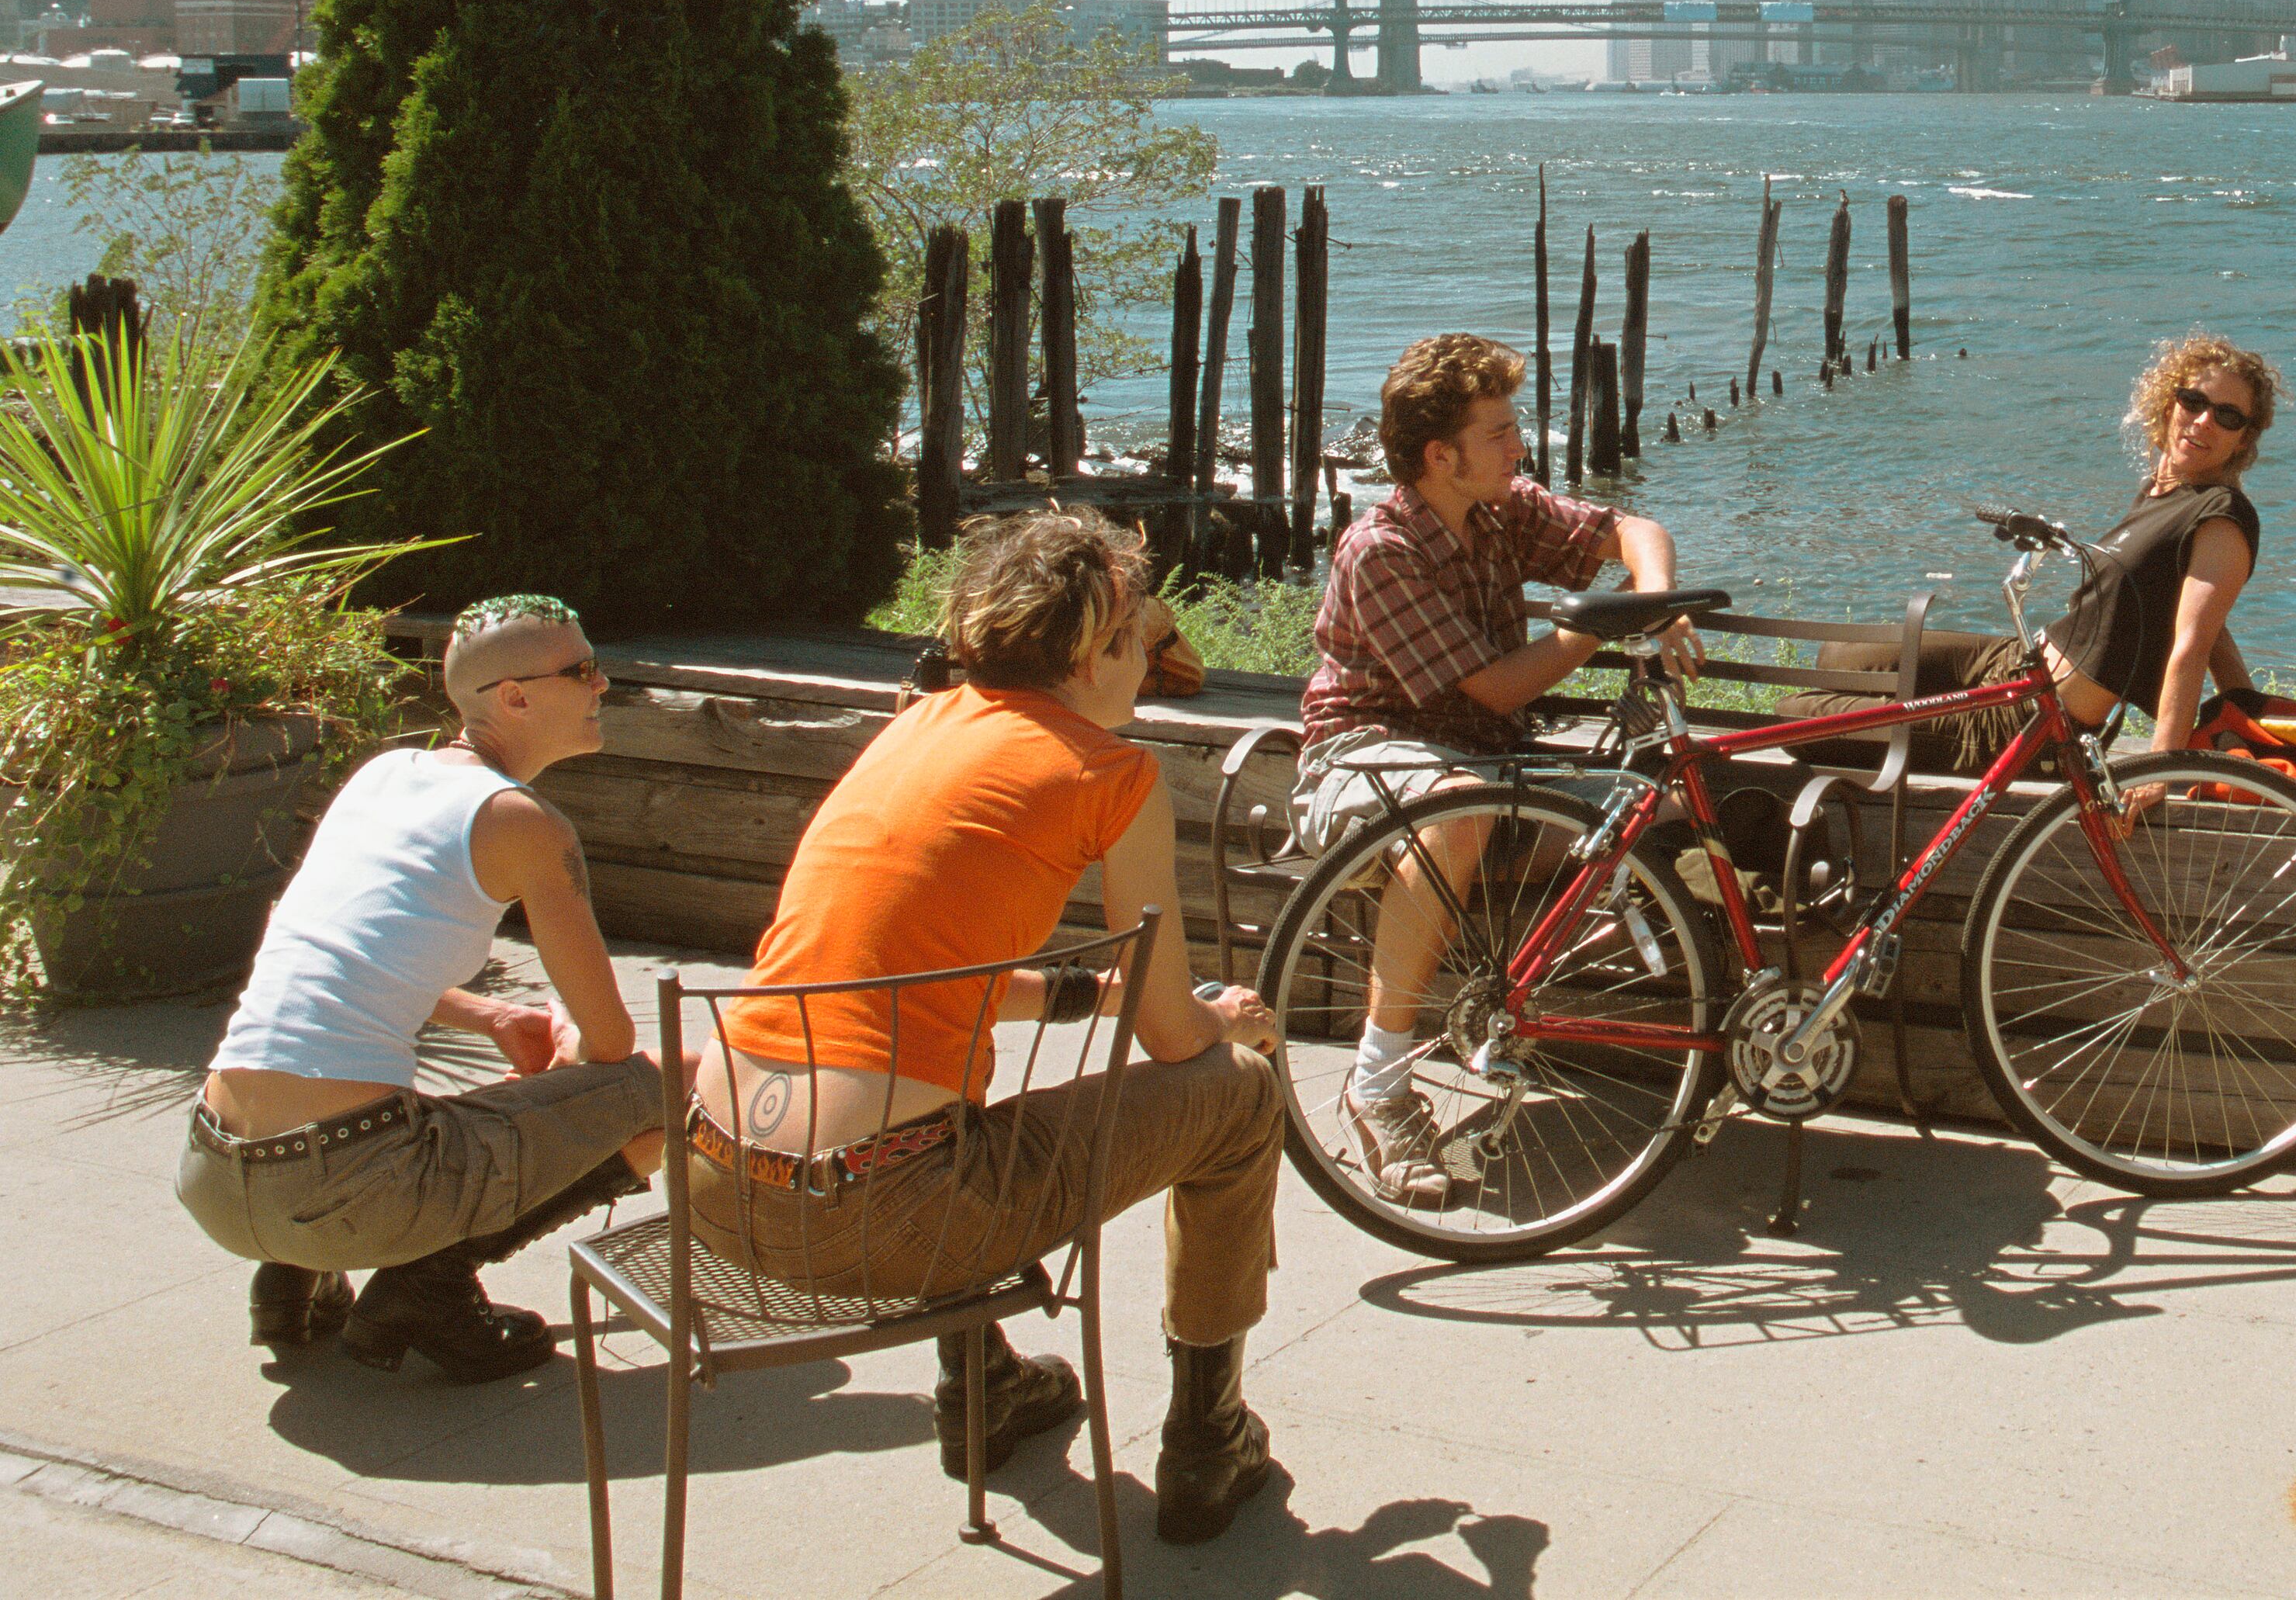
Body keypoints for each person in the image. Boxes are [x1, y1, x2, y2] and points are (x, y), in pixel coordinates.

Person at [697, 512, 1290, 1547]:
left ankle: (987, 1382)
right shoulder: (1107, 772)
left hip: (719, 1181)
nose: (1148, 664)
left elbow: (924, 982)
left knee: (951, 1086)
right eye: (1134, 643)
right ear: (1088, 652)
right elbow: (1177, 1041)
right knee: (1237, 1093)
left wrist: (1094, 995)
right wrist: (1214, 1014)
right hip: (885, 1212)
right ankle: (1209, 1438)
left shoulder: (919, 723)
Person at [178, 594, 667, 1383]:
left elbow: (314, 941)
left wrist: (495, 1014)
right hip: (343, 1185)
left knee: (374, 1098)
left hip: (212, 1170)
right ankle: (425, 1289)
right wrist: (569, 1044)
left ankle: (294, 1276)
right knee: (665, 1090)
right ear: (515, 697)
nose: (602, 686)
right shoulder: (524, 822)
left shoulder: (384, 775)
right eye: (583, 670)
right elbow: (608, 1046)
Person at [1293, 331, 1703, 1209]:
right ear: (1440, 456)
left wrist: (1654, 603)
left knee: (1654, 808)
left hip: (1480, 760)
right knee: (1459, 812)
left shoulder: (1494, 509)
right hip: (1363, 757)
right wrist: (1603, 622)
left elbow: (1632, 528)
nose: (1519, 448)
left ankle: (1567, 1004)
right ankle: (1378, 1085)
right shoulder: (1382, 551)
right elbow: (1492, 688)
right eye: (1499, 433)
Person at [2039, 333, 2278, 757]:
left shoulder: (2221, 513)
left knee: (1884, 696)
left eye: (2227, 416)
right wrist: (2245, 712)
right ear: (2170, 404)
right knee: (1882, 656)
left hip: (2036, 726)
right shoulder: (2161, 494)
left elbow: (2194, 643)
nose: (2204, 420)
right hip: (2012, 677)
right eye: (2194, 401)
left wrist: (2159, 767)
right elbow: (2200, 616)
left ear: (2243, 440)